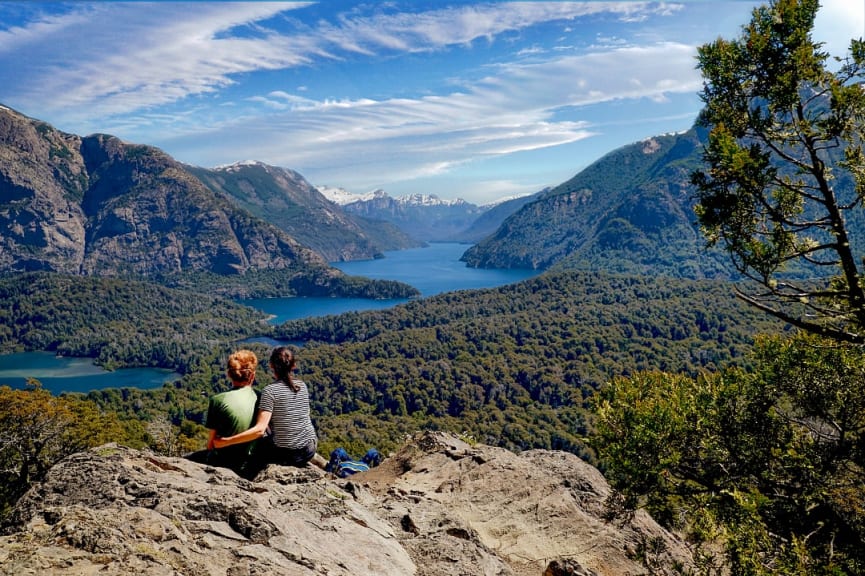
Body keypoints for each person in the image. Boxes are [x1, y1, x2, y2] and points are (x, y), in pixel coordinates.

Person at [214, 346, 327, 471]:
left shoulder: (270, 391)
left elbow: (259, 430)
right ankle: (319, 461)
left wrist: (226, 441)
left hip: (288, 456)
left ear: (271, 366)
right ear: (293, 366)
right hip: (309, 448)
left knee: (261, 436)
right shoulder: (302, 386)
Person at [186, 349, 260, 477]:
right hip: (250, 463)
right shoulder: (260, 398)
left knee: (186, 460)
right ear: (252, 376)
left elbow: (210, 444)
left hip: (223, 464)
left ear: (229, 375)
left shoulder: (218, 400)